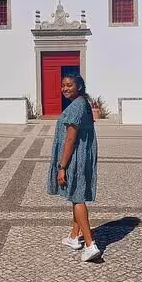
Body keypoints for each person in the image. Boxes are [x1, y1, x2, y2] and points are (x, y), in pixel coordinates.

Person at [46, 73, 100, 262]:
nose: (65, 88)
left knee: (77, 199)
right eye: (63, 85)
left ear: (79, 87)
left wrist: (62, 167)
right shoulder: (83, 103)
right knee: (75, 194)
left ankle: (90, 244)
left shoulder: (75, 107)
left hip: (75, 157)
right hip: (83, 156)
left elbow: (70, 139)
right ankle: (73, 237)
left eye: (69, 85)